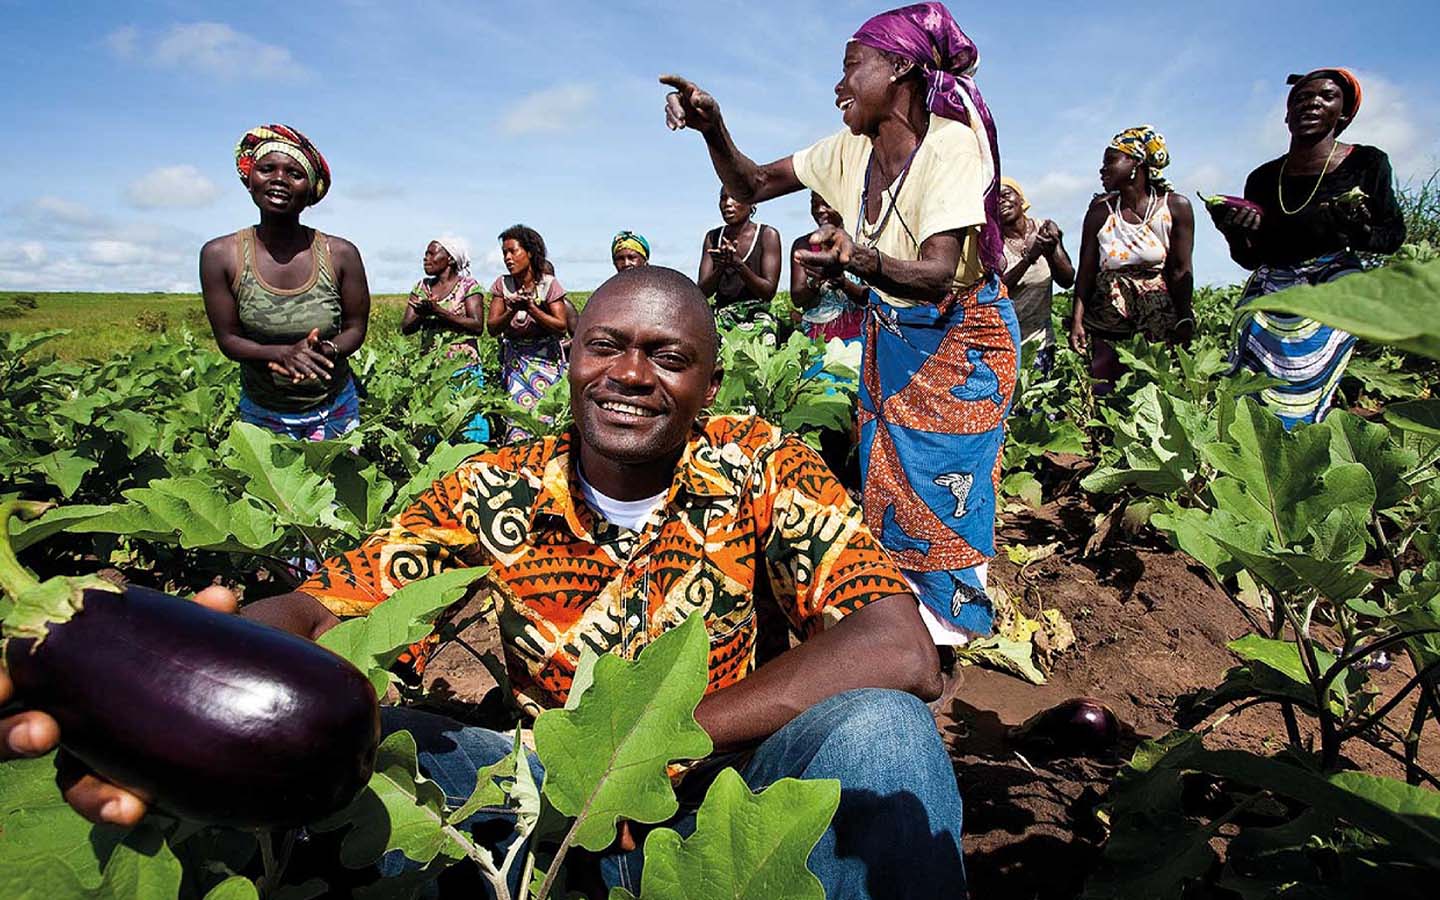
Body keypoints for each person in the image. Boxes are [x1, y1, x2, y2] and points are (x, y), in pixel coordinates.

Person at [26, 267, 966, 899]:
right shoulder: (492, 488)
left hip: (737, 790)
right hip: (540, 801)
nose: (630, 375)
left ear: (710, 385)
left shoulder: (763, 460)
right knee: (361, 744)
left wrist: (645, 756)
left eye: (667, 357)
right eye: (606, 347)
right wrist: (185, 673)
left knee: (883, 727)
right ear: (571, 358)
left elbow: (898, 643)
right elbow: (327, 604)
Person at [661, 1, 1020, 645]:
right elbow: (751, 180)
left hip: (962, 342)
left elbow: (938, 270)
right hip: (894, 336)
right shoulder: (846, 152)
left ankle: (949, 638)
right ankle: (902, 629)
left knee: (948, 488)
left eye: (852, 67)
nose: (838, 86)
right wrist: (713, 129)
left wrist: (858, 257)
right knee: (884, 483)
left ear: (902, 68)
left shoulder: (951, 147)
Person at [1210, 68, 1406, 428]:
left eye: (1326, 97)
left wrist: (1356, 227)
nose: (1311, 103)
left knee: (1310, 379)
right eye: (1301, 98)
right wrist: (1232, 231)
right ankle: (1254, 453)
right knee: (1249, 378)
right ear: (1286, 115)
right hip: (1273, 285)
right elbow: (1252, 257)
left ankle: (1307, 447)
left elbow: (1392, 235)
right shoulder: (1264, 177)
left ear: (1344, 113)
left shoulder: (1366, 163)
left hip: (1332, 283)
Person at [200, 124, 371, 441]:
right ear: (250, 181)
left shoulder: (341, 254)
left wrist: (328, 349)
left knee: (338, 489)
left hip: (334, 408)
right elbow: (228, 339)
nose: (279, 178)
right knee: (271, 492)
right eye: (267, 169)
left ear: (310, 193)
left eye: (295, 173)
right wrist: (280, 353)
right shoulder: (221, 255)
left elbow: (356, 328)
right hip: (264, 413)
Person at [1069, 125, 1195, 394]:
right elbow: (1086, 271)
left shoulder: (1174, 207)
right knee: (1106, 387)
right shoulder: (1100, 212)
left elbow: (1180, 269)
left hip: (1157, 315)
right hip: (1107, 312)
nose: (1103, 170)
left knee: (1156, 387)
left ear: (1136, 163)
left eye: (1110, 161)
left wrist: (1185, 318)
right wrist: (1077, 320)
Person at [401, 235, 491, 442]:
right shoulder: (422, 287)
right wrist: (423, 313)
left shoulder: (468, 286)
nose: (426, 258)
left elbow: (477, 326)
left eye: (432, 253)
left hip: (462, 367)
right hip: (431, 367)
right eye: (425, 254)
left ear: (450, 259)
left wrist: (439, 312)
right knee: (435, 421)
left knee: (465, 420)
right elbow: (406, 327)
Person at [487, 225, 571, 442]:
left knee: (550, 418)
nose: (507, 258)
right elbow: (492, 327)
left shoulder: (548, 284)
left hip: (546, 362)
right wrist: (512, 310)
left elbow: (561, 326)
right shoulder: (502, 285)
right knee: (518, 420)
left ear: (530, 253)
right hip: (516, 364)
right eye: (504, 253)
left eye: (513, 251)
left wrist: (532, 308)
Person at [999, 177, 1074, 373]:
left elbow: (1066, 280)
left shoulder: (1044, 229)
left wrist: (1050, 250)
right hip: (1004, 343)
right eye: (994, 200)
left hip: (1040, 340)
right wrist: (1028, 258)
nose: (1001, 202)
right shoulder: (994, 244)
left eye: (1006, 195)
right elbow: (998, 290)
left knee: (1037, 400)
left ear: (1020, 198)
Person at [697, 187, 782, 341]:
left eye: (734, 197)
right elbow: (703, 291)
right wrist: (721, 268)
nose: (727, 204)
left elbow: (768, 292)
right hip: (722, 315)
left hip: (758, 315)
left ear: (752, 203)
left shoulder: (767, 235)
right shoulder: (713, 237)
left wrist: (738, 264)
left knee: (761, 347)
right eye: (723, 198)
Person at [791, 192, 870, 344]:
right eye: (814, 205)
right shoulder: (804, 245)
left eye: (827, 204)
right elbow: (798, 299)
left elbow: (870, 298)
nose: (820, 210)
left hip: (861, 332)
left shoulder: (862, 243)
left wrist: (842, 282)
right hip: (819, 336)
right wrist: (816, 281)